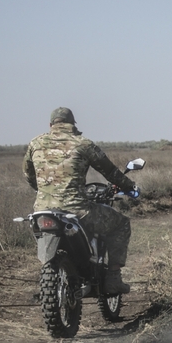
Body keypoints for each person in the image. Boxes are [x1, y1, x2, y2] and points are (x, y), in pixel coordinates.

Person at [23, 107, 137, 294]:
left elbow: (28, 174)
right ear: (72, 124)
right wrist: (130, 187)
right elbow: (110, 171)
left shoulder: (35, 143)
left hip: (41, 210)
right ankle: (114, 278)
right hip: (77, 211)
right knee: (121, 224)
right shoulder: (83, 143)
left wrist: (45, 190)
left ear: (51, 125)